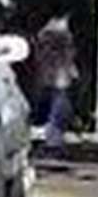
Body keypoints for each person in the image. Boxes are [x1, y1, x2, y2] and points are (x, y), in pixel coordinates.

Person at [35, 14, 78, 152]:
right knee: (57, 107)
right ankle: (52, 140)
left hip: (53, 75)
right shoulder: (58, 30)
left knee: (55, 106)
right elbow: (66, 53)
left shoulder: (47, 31)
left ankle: (51, 138)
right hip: (58, 76)